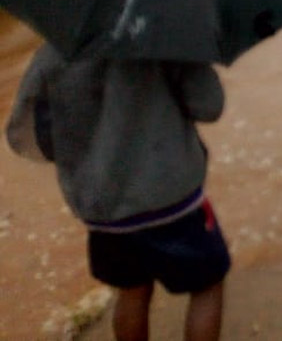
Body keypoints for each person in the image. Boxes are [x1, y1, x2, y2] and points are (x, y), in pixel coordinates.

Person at [6, 43, 229, 341]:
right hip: (170, 201)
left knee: (131, 291)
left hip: (103, 210)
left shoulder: (54, 51)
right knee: (207, 285)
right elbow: (209, 105)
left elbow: (38, 136)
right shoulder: (162, 39)